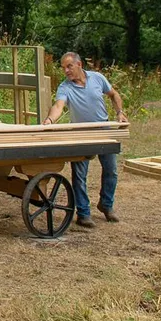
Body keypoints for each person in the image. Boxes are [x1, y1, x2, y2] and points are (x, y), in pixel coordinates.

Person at [42, 51, 127, 229]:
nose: (66, 71)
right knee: (80, 174)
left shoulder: (97, 78)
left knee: (111, 170)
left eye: (69, 66)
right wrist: (50, 120)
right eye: (63, 67)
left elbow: (114, 94)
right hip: (81, 131)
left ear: (79, 65)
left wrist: (120, 113)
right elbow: (59, 105)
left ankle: (106, 204)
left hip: (104, 129)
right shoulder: (65, 87)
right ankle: (83, 213)